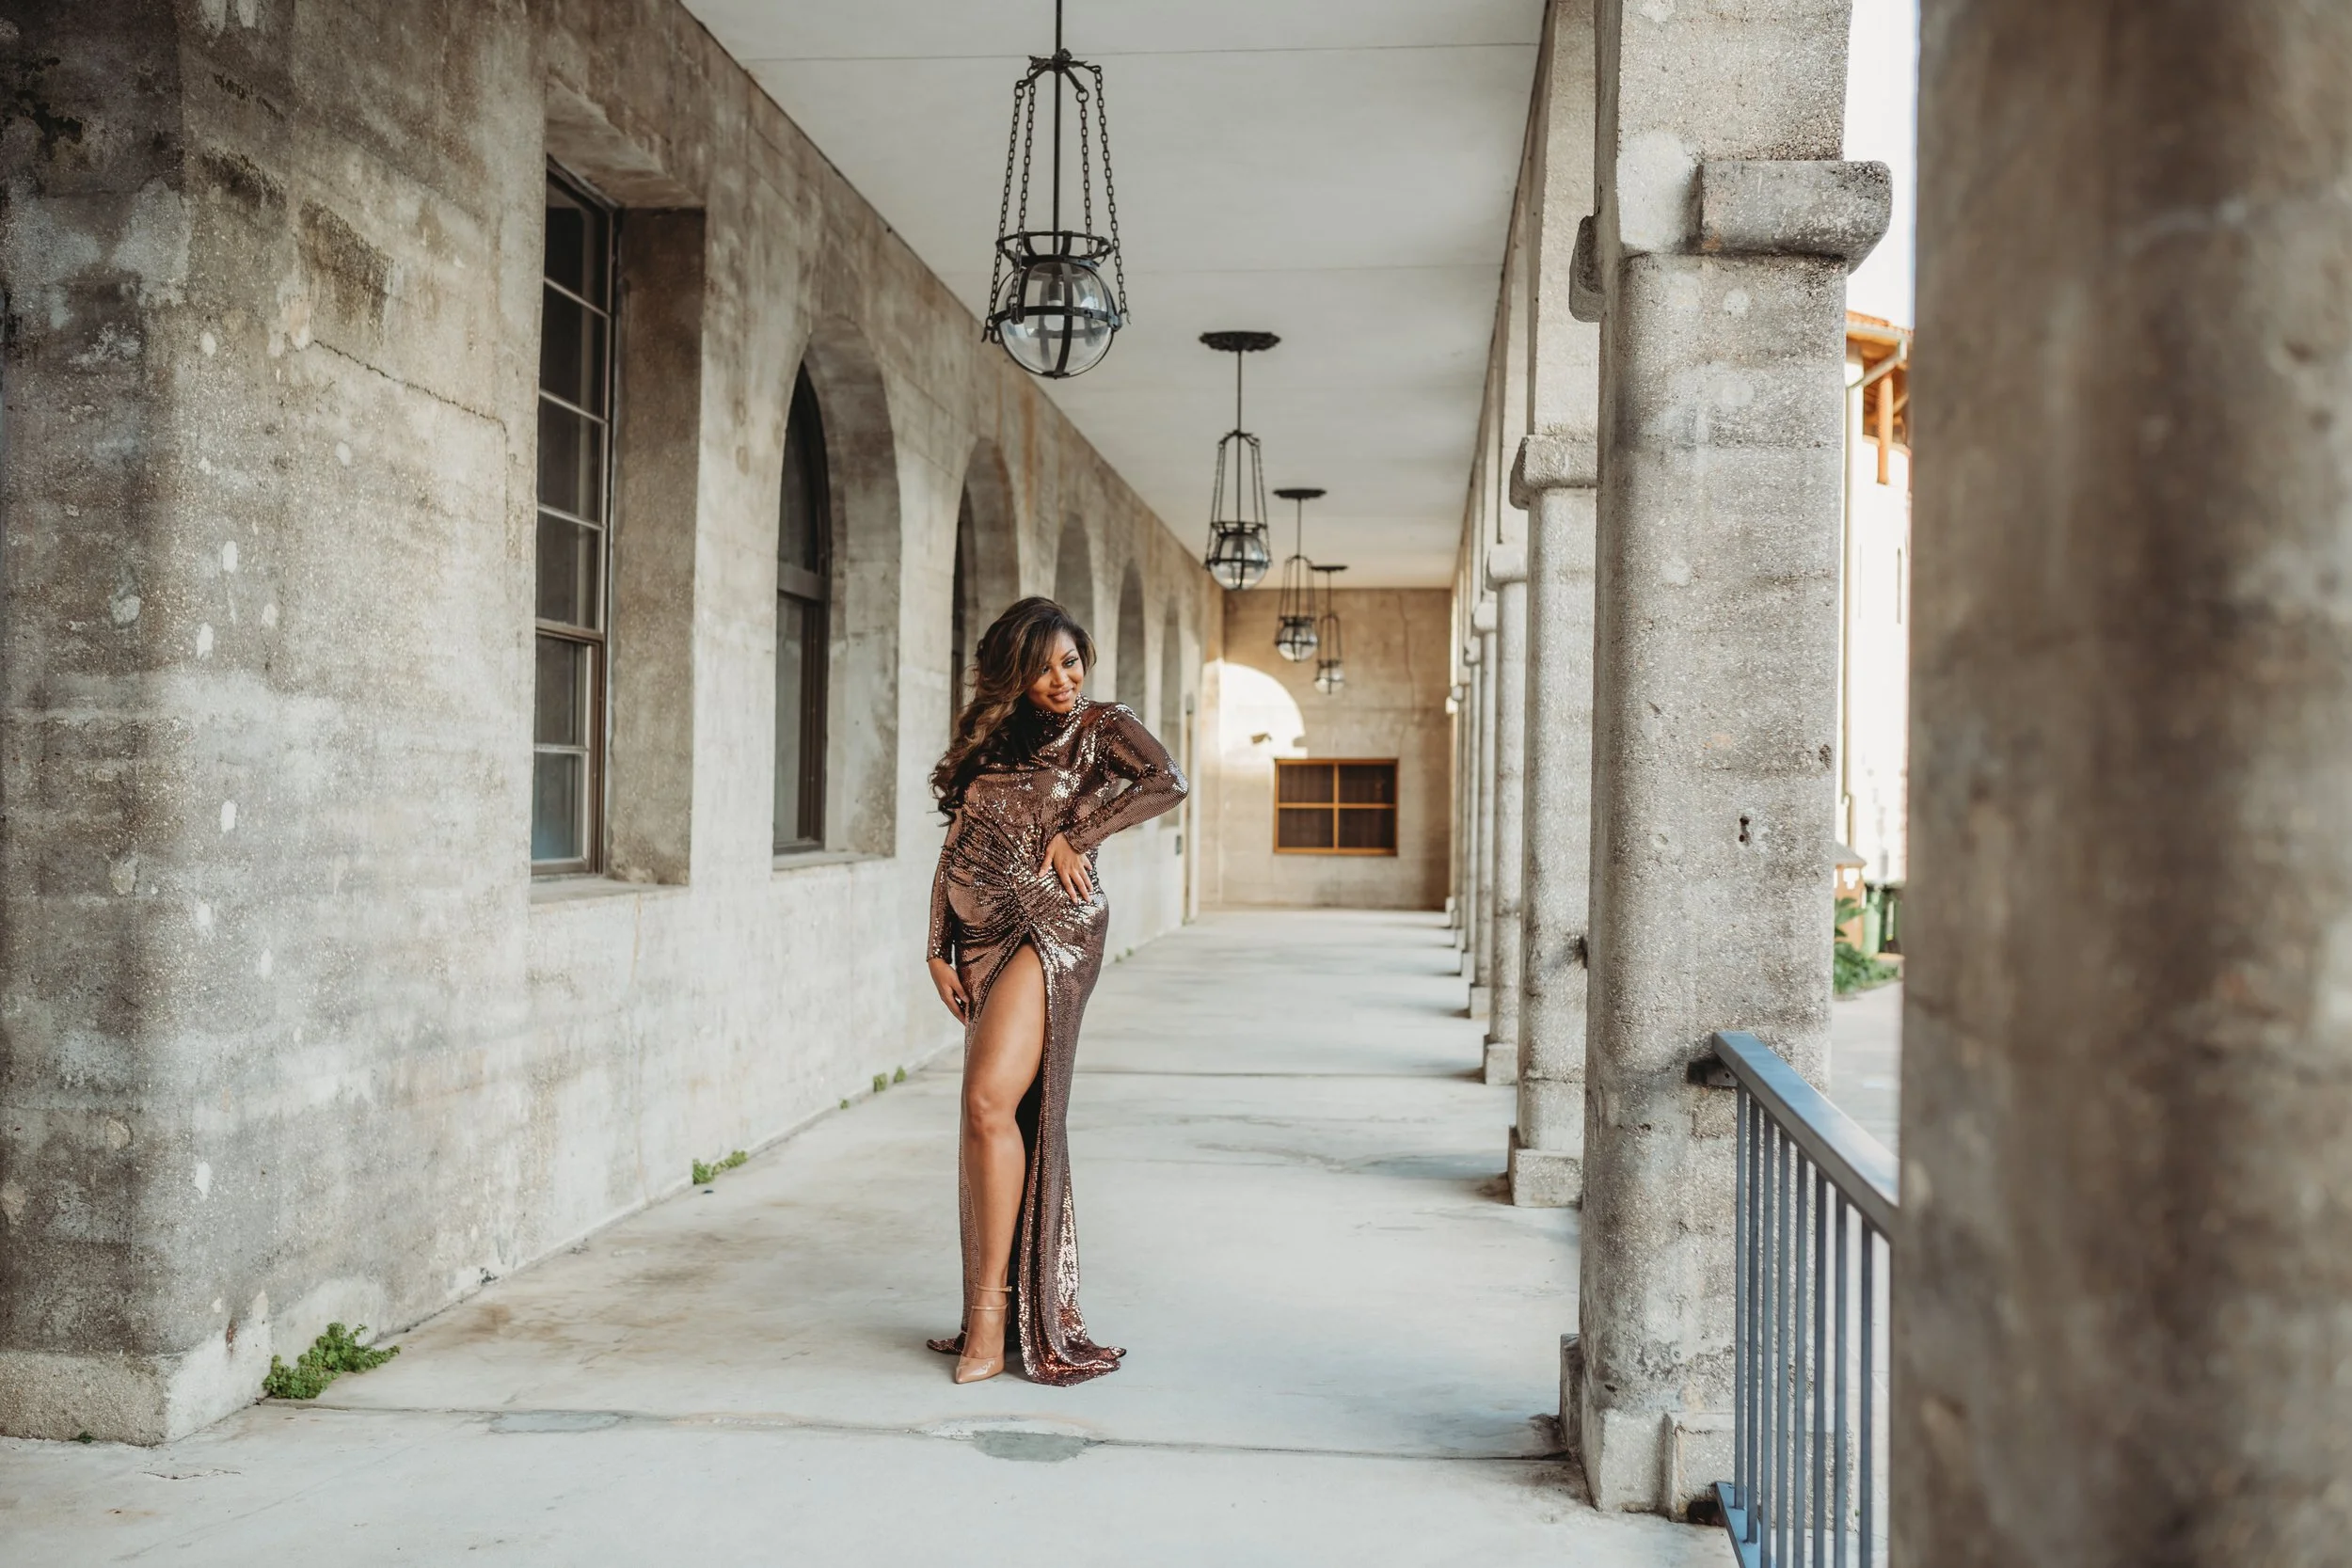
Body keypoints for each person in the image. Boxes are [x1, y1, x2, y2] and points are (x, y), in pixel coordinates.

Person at [923, 596, 1187, 1385]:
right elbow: (954, 846)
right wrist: (936, 944)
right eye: (1042, 667)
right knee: (993, 1116)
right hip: (975, 937)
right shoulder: (990, 737)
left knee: (985, 1102)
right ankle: (986, 1306)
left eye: (1070, 661)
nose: (1061, 678)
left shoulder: (1103, 725)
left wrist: (1080, 833)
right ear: (1013, 672)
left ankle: (993, 1320)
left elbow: (1165, 780)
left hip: (1053, 925)